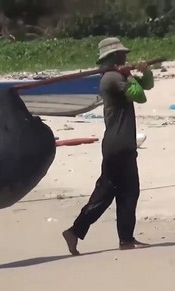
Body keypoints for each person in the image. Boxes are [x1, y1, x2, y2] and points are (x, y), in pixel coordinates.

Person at [62, 37, 154, 256]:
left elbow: (146, 86)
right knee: (122, 192)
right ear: (113, 58)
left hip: (120, 144)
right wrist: (130, 74)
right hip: (119, 144)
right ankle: (118, 238)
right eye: (122, 55)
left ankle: (82, 232)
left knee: (114, 192)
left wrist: (145, 71)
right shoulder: (112, 78)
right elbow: (139, 96)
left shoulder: (117, 75)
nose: (126, 58)